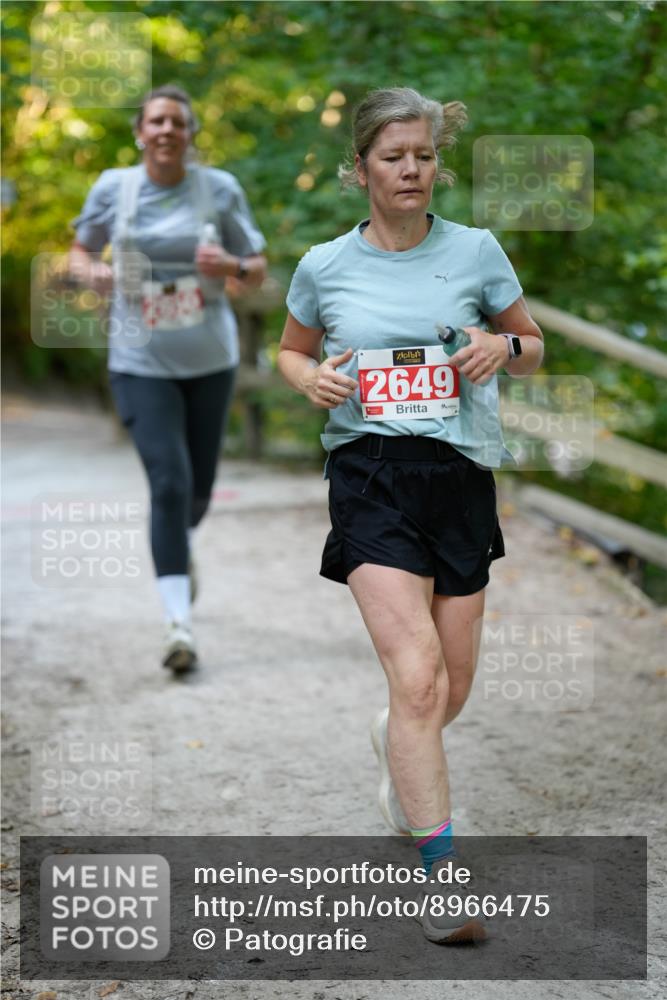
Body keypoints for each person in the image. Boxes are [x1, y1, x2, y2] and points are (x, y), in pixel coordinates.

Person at [278, 88, 543, 943]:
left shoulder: (475, 252)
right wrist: (307, 378)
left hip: (459, 477)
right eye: (393, 158)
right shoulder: (324, 265)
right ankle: (440, 880)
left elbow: (531, 344)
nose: (412, 171)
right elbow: (290, 349)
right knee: (419, 677)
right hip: (369, 476)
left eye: (424, 156)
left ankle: (396, 742)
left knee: (446, 688)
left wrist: (500, 348)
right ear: (360, 169)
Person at [70, 85, 267, 671]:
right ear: (139, 131)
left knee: (198, 490)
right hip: (139, 362)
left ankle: (177, 544)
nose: (165, 131)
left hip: (211, 359)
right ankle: (178, 625)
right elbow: (79, 254)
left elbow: (255, 269)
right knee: (170, 481)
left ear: (190, 134)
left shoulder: (220, 189)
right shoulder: (114, 188)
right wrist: (95, 276)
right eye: (155, 121)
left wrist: (230, 266)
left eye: (176, 123)